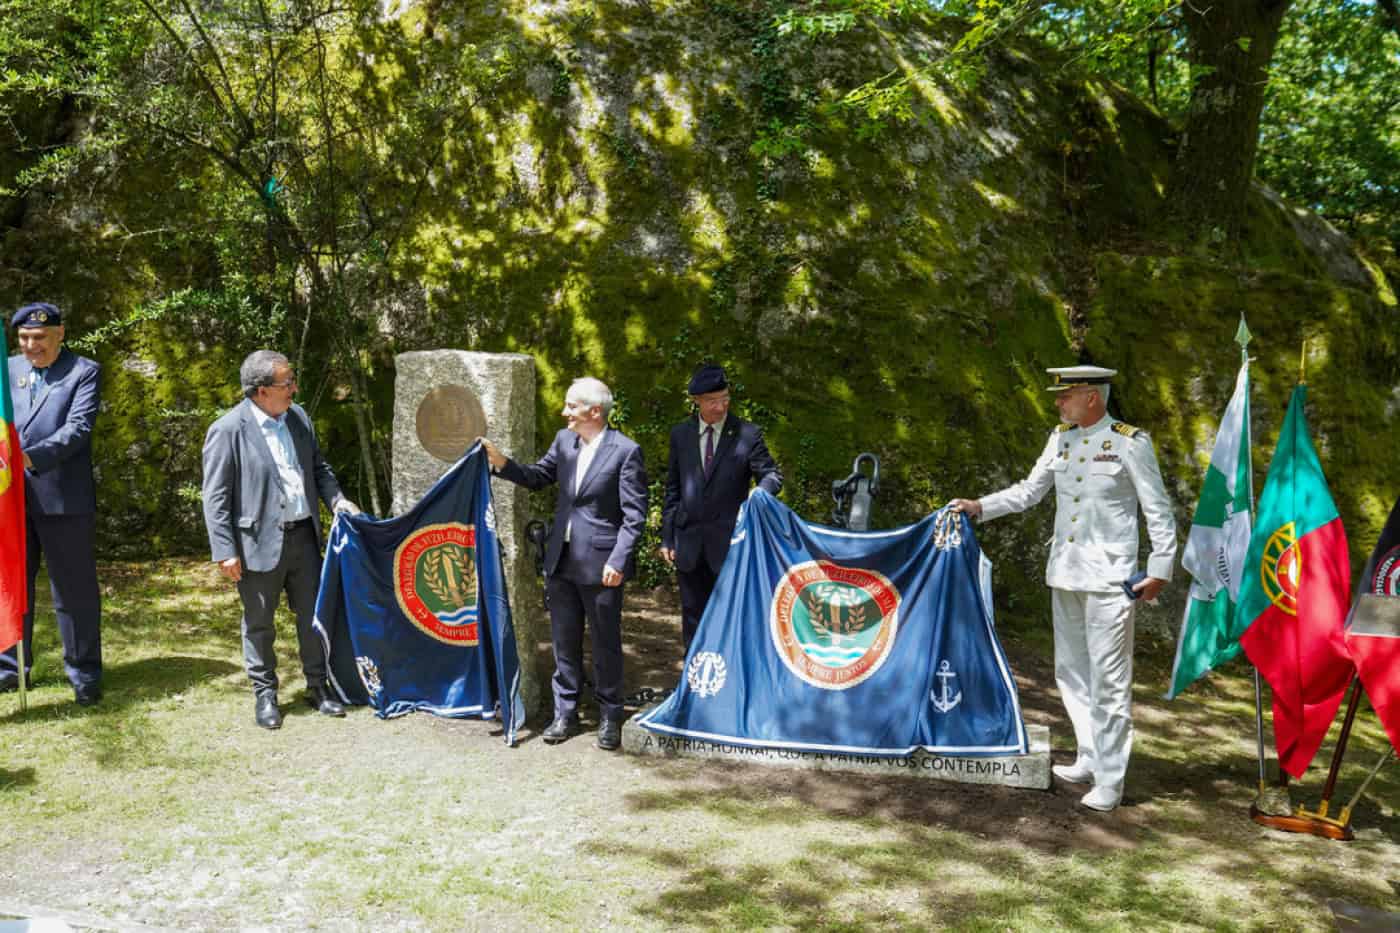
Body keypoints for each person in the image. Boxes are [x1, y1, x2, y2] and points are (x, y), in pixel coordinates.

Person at [949, 364, 1176, 812]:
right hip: (1067, 572)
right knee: (1070, 671)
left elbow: (1158, 508)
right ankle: (1090, 755)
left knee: (1109, 678)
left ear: (1092, 396)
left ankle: (1111, 778)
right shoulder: (1062, 438)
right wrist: (980, 506)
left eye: (1066, 395)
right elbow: (1031, 491)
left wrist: (1160, 568)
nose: (1058, 402)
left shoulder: (1130, 442)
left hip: (1112, 580)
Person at [480, 377, 648, 751]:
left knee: (605, 644)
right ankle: (565, 713)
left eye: (571, 406)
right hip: (560, 560)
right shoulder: (564, 441)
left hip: (604, 565)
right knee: (563, 642)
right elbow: (538, 477)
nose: (564, 411)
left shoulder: (625, 451)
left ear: (594, 411)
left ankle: (609, 716)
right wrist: (501, 463)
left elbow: (635, 516)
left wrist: (618, 560)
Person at [201, 350, 360, 730]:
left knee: (313, 617)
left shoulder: (299, 417)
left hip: (304, 537)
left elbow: (318, 468)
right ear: (260, 391)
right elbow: (216, 496)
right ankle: (266, 695)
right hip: (255, 544)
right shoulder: (227, 430)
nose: (294, 388)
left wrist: (337, 501)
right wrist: (224, 551)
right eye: (286, 383)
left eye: (292, 381)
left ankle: (318, 687)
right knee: (259, 624)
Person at [1, 303, 103, 706]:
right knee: (11, 584)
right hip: (10, 500)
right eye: (24, 338)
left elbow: (77, 429)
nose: (31, 346)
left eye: (40, 338)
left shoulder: (83, 372)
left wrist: (29, 456)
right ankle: (11, 669)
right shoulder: (7, 369)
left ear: (60, 334)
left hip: (64, 499)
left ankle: (84, 673)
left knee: (74, 592)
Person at [661, 364, 782, 650]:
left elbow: (771, 474)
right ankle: (694, 681)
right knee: (692, 617)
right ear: (697, 402)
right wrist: (668, 535)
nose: (721, 406)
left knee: (733, 615)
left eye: (725, 398)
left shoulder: (747, 434)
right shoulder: (681, 435)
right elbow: (673, 488)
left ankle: (728, 682)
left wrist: (759, 495)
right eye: (713, 401)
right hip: (688, 543)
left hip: (730, 544)